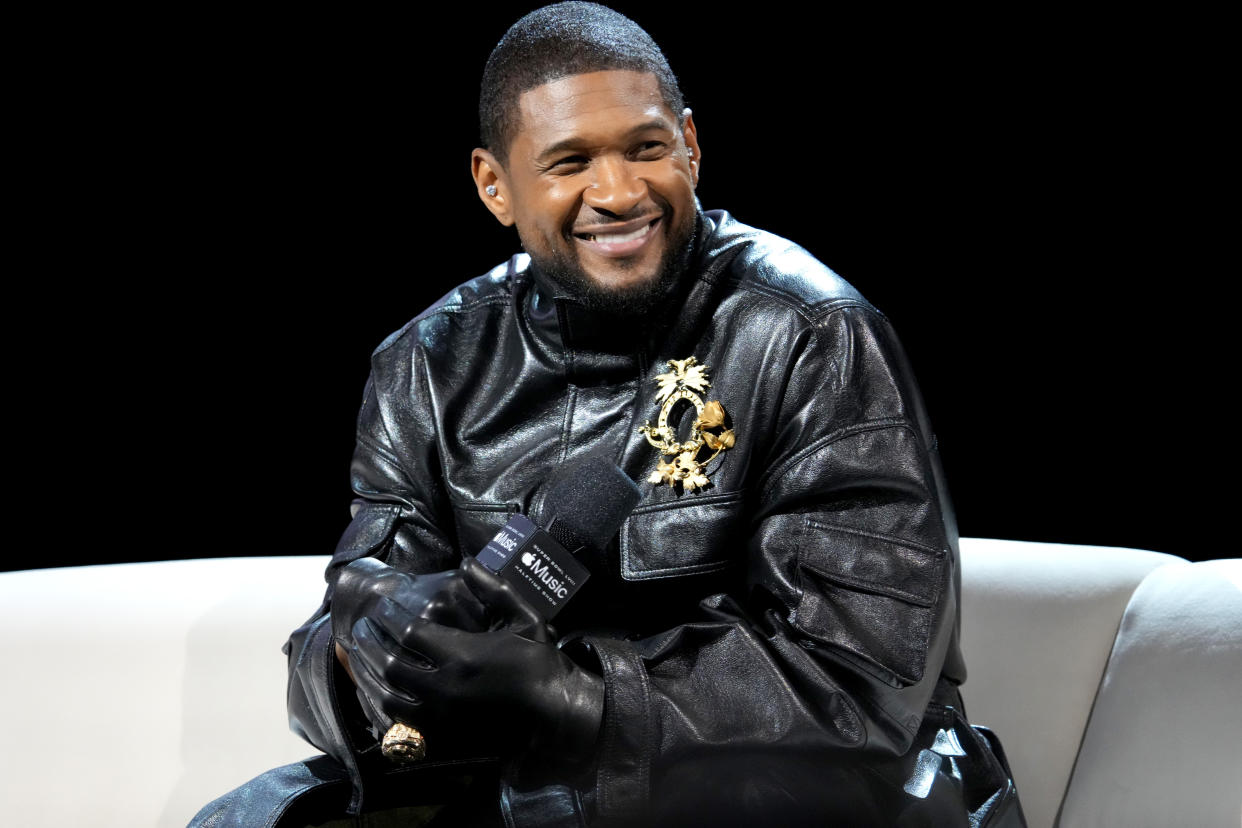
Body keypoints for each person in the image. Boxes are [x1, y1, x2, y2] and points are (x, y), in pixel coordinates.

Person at [192, 3, 1024, 826]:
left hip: (803, 796)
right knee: (251, 817)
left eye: (647, 148)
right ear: (495, 185)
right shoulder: (425, 365)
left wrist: (568, 692)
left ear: (691, 148)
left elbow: (860, 679)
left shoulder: (812, 334)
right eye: (569, 161)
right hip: (531, 793)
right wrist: (369, 644)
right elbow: (343, 630)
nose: (619, 192)